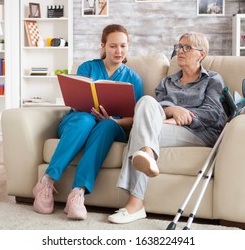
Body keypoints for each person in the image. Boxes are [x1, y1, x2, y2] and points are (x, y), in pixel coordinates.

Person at [108, 32, 226, 224]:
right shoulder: (167, 82)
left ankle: (136, 203)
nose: (180, 51)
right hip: (165, 126)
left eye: (187, 47)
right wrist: (173, 109)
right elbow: (157, 108)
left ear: (201, 54)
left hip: (199, 132)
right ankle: (147, 154)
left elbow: (212, 113)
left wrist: (178, 118)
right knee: (146, 101)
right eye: (178, 46)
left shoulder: (212, 79)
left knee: (140, 130)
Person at [32, 24, 143, 220]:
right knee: (84, 120)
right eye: (113, 46)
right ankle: (46, 182)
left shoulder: (133, 78)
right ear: (103, 46)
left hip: (111, 127)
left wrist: (112, 120)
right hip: (79, 120)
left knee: (108, 125)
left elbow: (135, 118)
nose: (119, 51)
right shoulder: (87, 68)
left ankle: (78, 193)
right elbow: (75, 102)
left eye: (123, 46)